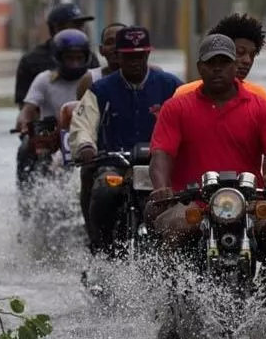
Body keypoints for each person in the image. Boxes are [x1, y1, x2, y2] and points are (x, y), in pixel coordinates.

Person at [146, 33, 266, 339]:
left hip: (247, 202)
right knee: (172, 230)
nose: (218, 69)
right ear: (199, 67)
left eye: (224, 62)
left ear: (236, 66)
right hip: (193, 202)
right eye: (211, 63)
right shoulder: (176, 107)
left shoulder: (260, 107)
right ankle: (173, 307)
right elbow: (161, 157)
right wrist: (162, 188)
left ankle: (265, 304)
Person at [69, 26, 183, 255]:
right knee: (103, 192)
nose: (134, 61)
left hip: (160, 167)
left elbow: (193, 123)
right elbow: (83, 125)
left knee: (182, 204)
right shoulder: (99, 90)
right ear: (118, 56)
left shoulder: (171, 86)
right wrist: (85, 146)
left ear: (148, 54)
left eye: (139, 55)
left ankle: (178, 258)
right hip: (115, 164)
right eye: (128, 56)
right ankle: (101, 250)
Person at [172, 13, 266, 187]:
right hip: (193, 193)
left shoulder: (261, 97)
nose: (247, 60)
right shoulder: (183, 95)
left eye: (252, 55)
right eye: (240, 53)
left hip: (245, 193)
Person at [15, 29, 92, 211]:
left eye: (79, 58)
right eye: (69, 58)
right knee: (26, 147)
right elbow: (28, 109)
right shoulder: (44, 80)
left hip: (87, 135)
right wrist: (24, 123)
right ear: (58, 58)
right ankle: (27, 200)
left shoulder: (93, 78)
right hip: (53, 138)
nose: (74, 63)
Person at [14, 3, 100, 110]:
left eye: (81, 26)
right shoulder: (31, 60)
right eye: (76, 26)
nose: (81, 30)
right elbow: (25, 106)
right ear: (56, 28)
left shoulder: (89, 57)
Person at [75, 22, 126, 100]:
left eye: (121, 41)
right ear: (101, 50)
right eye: (109, 42)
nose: (116, 47)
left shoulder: (147, 77)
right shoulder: (89, 80)